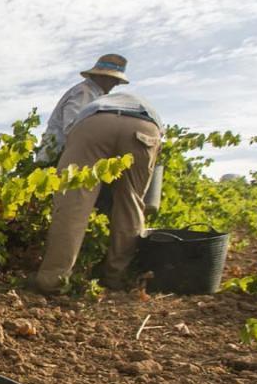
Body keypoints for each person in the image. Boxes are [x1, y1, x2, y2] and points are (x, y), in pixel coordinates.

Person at [32, 89, 164, 293]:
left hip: (94, 124)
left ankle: (53, 280)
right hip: (145, 126)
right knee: (131, 204)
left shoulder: (87, 99)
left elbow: (60, 138)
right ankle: (116, 277)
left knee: (74, 202)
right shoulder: (139, 101)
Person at [35, 54, 128, 165]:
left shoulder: (95, 95)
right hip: (56, 159)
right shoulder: (84, 93)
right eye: (114, 79)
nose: (116, 84)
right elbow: (73, 128)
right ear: (103, 77)